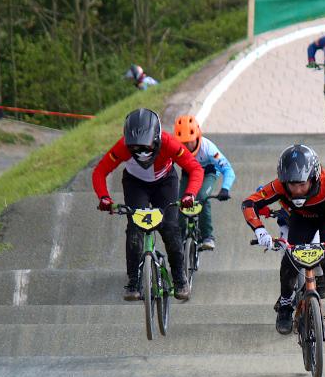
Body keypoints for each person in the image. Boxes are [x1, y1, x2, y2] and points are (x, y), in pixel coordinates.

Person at [241, 144, 325, 337]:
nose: (297, 191)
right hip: (302, 218)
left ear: (315, 177)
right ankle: (286, 305)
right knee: (290, 258)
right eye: (291, 185)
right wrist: (260, 231)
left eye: (302, 184)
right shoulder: (279, 186)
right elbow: (248, 203)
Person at [93, 108, 202, 301]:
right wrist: (104, 197)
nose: (142, 153)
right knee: (135, 230)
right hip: (136, 185)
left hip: (165, 182)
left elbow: (195, 168)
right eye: (135, 148)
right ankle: (133, 281)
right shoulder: (122, 146)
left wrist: (190, 194)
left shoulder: (169, 143)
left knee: (170, 228)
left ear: (157, 138)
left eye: (146, 147)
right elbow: (100, 171)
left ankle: (179, 278)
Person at [173, 115, 236, 251]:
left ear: (197, 136)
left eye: (190, 141)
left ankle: (207, 236)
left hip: (208, 173)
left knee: (202, 198)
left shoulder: (209, 148)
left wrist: (225, 189)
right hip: (188, 174)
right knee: (180, 202)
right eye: (183, 143)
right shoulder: (176, 147)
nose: (186, 146)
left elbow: (228, 169)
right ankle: (180, 233)